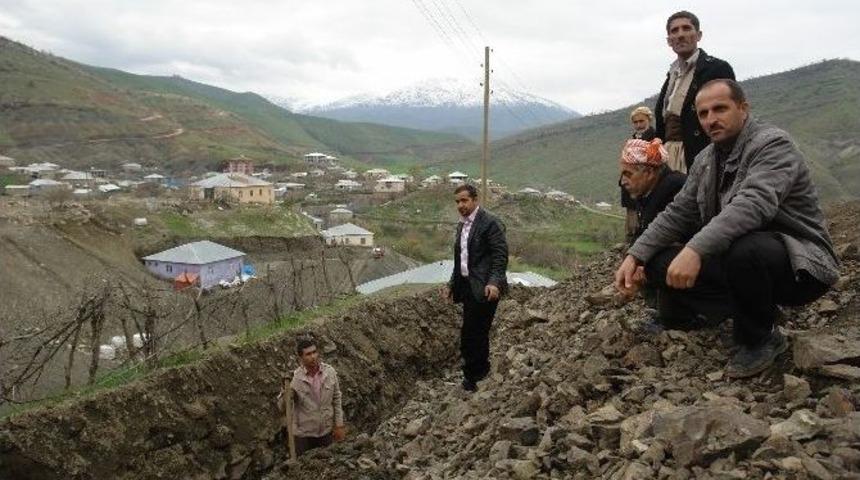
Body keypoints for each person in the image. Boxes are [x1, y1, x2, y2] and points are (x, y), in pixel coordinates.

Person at [615, 79, 838, 378]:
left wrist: (694, 249)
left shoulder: (772, 144)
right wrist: (635, 256)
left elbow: (753, 205)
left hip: (799, 264)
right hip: (739, 261)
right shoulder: (706, 159)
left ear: (743, 108)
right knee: (657, 261)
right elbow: (679, 211)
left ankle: (760, 338)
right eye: (703, 113)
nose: (711, 119)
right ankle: (727, 312)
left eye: (720, 108)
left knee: (745, 248)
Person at [444, 184, 509, 392]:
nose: (460, 205)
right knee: (470, 333)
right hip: (467, 287)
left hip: (485, 288)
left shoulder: (490, 223)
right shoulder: (462, 225)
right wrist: (452, 284)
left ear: (475, 200)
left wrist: (494, 282)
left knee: (475, 333)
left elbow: (500, 255)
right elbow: (461, 259)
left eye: (464, 200)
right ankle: (474, 374)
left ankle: (477, 377)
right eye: (457, 202)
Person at [655, 11, 735, 173]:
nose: (680, 35)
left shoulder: (716, 68)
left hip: (703, 157)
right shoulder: (672, 74)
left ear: (698, 35)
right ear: (669, 40)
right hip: (668, 158)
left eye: (686, 28)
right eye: (674, 31)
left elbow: (728, 115)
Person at [278, 336, 346, 457]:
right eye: (308, 354)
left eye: (314, 352)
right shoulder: (294, 379)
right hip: (304, 437)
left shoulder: (329, 373)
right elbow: (283, 408)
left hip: (326, 433)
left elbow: (336, 399)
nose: (313, 357)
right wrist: (286, 393)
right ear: (301, 358)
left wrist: (339, 425)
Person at [619, 138, 686, 241]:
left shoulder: (675, 191)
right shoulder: (646, 192)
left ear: (649, 173)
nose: (623, 182)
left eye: (628, 174)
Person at [622, 107, 658, 241]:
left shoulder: (655, 139)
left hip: (647, 181)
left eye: (641, 121)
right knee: (632, 213)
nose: (638, 125)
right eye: (635, 122)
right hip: (632, 181)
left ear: (649, 120)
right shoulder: (632, 139)